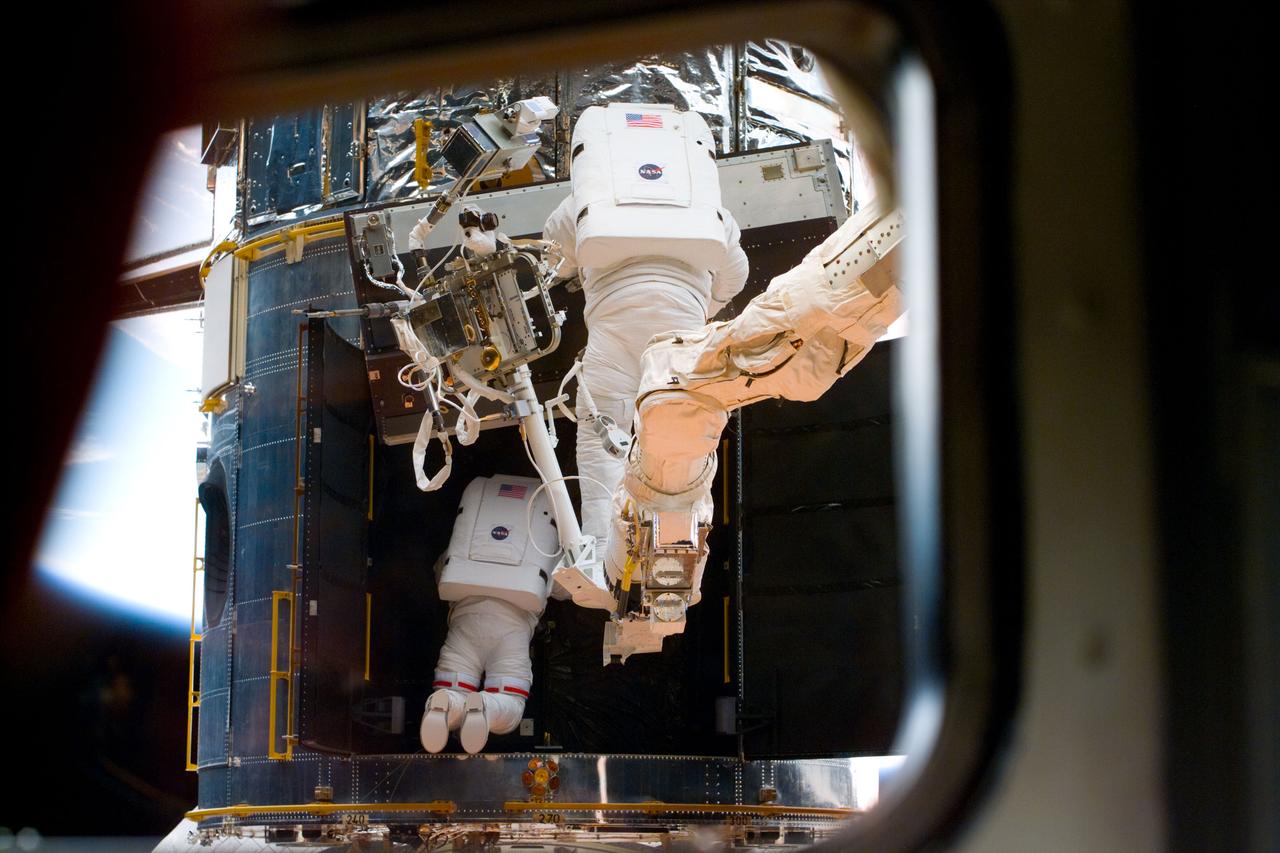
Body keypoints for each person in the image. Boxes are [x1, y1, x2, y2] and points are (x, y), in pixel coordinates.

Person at [542, 102, 748, 595]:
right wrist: (703, 308)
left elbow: (554, 258)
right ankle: (683, 562)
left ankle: (598, 555)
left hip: (614, 329)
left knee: (601, 439)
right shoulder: (708, 209)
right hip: (682, 333)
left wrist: (575, 271)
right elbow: (734, 273)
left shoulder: (584, 203)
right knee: (684, 446)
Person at [420, 474, 558, 754]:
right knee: (510, 701)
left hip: (465, 625)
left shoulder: (473, 509)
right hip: (511, 631)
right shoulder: (547, 529)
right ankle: (485, 707)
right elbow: (568, 583)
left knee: (454, 685)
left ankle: (447, 702)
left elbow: (441, 567)